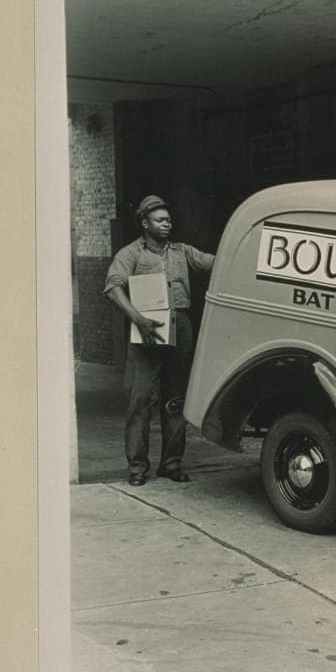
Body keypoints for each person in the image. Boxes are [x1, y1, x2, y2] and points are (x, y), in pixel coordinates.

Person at [104, 195, 216, 486]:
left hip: (181, 327)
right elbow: (112, 288)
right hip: (147, 328)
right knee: (140, 399)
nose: (167, 224)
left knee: (176, 400)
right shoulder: (131, 254)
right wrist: (137, 318)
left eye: (168, 219)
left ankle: (171, 463)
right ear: (144, 223)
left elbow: (214, 262)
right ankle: (138, 468)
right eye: (160, 220)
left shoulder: (182, 252)